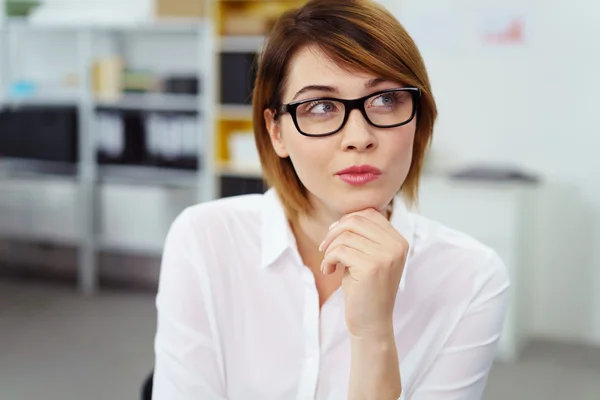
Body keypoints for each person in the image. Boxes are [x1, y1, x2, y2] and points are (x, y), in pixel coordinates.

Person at [152, 0, 510, 399]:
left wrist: (374, 335)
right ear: (277, 132)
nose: (359, 136)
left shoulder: (471, 276)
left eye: (386, 100)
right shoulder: (205, 239)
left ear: (418, 117)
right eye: (320, 106)